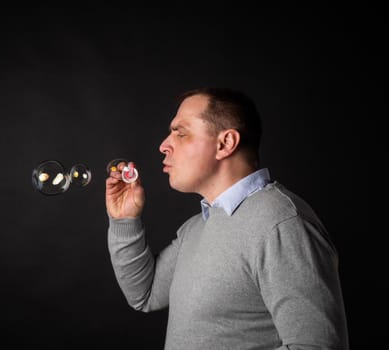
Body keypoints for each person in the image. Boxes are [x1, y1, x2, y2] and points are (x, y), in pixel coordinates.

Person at [105, 87, 349, 349]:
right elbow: (146, 294)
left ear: (225, 143)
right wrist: (125, 220)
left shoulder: (281, 224)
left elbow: (318, 346)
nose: (164, 145)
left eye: (181, 133)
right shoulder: (197, 227)